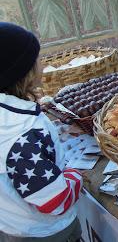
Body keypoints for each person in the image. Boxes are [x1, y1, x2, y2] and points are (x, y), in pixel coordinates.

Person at [0, 22, 83, 241]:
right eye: (37, 58)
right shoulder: (21, 133)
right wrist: (75, 176)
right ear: (23, 71)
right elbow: (55, 200)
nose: (43, 65)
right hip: (46, 233)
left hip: (11, 225)